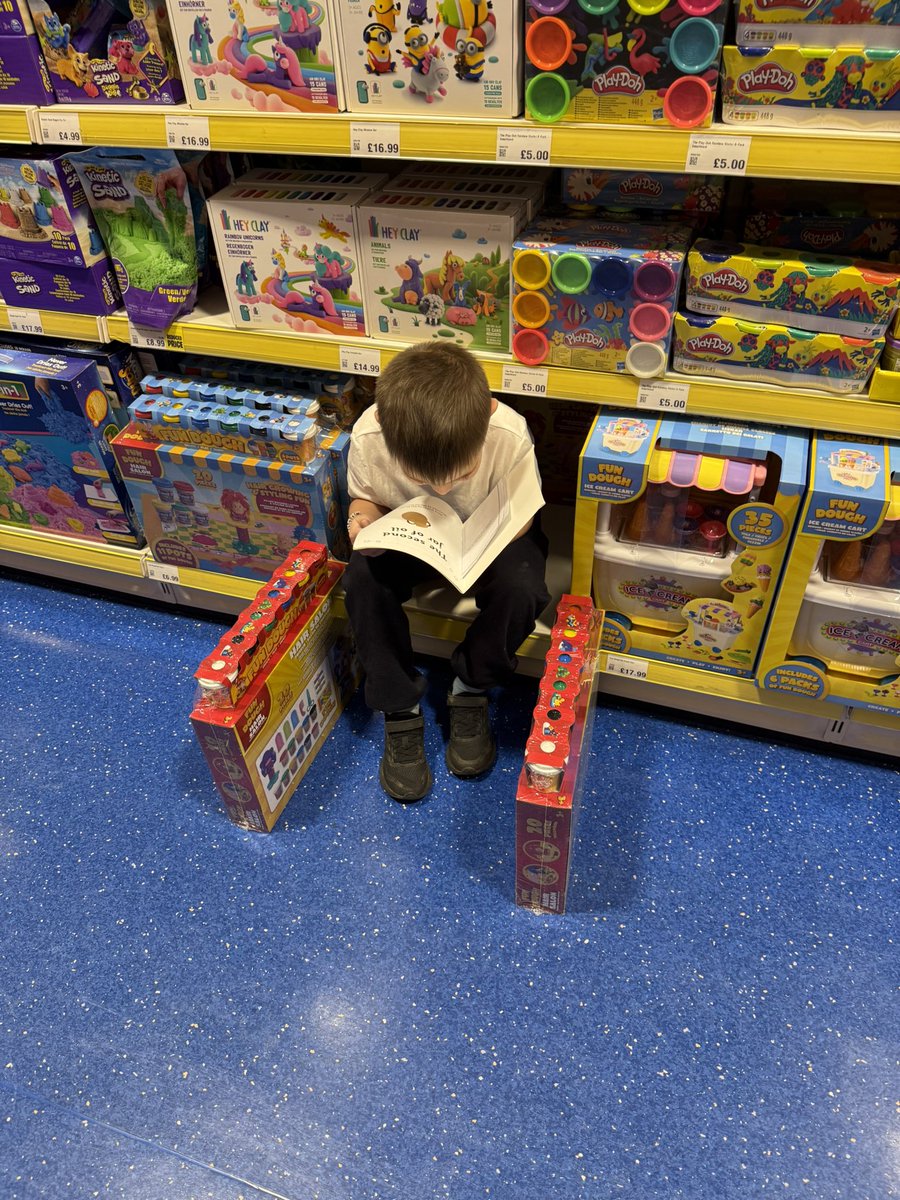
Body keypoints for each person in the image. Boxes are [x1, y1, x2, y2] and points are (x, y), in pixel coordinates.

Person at [344, 342, 551, 803]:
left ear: (487, 415)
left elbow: (525, 516)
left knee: (523, 588)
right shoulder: (368, 434)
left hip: (492, 536)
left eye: (460, 473)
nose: (442, 486)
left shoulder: (510, 434)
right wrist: (361, 521)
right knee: (361, 580)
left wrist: (489, 542)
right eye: (425, 475)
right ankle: (399, 708)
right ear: (383, 425)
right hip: (411, 532)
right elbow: (365, 499)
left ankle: (471, 686)